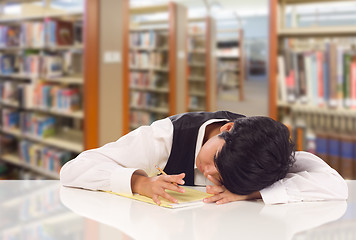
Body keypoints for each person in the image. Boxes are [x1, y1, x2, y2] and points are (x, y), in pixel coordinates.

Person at [60, 111, 348, 205]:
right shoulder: (164, 137)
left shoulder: (267, 151)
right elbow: (73, 170)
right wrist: (140, 183)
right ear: (227, 129)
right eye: (212, 161)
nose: (207, 173)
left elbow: (336, 186)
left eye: (220, 178)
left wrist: (251, 192)